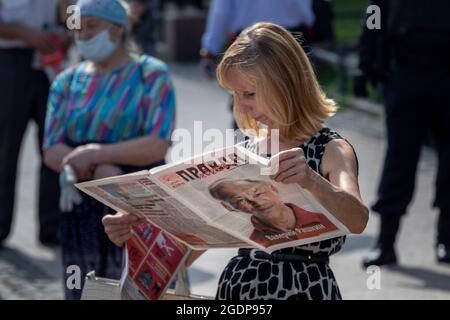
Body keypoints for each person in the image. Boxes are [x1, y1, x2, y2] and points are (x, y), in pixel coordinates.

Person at [103, 22, 369, 300]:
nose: (242, 107)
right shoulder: (247, 149)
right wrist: (141, 232)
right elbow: (200, 239)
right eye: (235, 95)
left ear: (286, 84)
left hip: (306, 289)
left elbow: (358, 220)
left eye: (249, 93)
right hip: (238, 290)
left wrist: (312, 180)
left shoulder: (331, 148)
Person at [43, 0, 176, 299]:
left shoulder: (150, 74)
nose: (83, 35)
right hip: (80, 199)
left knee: (136, 288)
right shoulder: (67, 81)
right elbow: (51, 147)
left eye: (92, 26)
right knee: (82, 289)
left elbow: (157, 141)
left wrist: (99, 158)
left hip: (136, 205)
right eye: (79, 27)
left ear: (117, 30)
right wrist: (92, 169)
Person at [355, 0, 450, 267]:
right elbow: (375, 14)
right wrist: (365, 63)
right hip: (407, 73)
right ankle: (385, 244)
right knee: (399, 157)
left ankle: (447, 240)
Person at [0, 0, 66, 247]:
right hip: (10, 62)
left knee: (53, 146)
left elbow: (70, 16)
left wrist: (70, 31)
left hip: (49, 61)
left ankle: (50, 227)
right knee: (6, 147)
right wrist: (23, 33)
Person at [208, 178, 337, 247]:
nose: (257, 202)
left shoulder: (324, 220)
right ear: (230, 208)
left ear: (273, 188)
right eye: (241, 200)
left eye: (258, 193)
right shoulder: (254, 241)